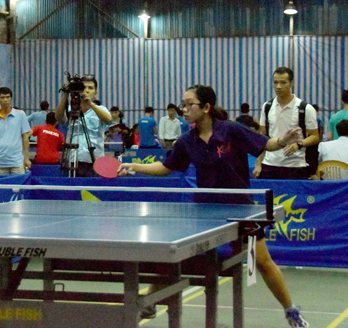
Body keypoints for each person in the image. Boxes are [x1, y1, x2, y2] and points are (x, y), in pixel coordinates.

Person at [117, 85, 308, 328]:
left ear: (206, 108)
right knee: (176, 252)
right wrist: (133, 166)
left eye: (189, 104)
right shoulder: (187, 141)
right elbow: (167, 167)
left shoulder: (230, 130)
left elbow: (265, 144)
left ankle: (290, 311)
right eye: (182, 105)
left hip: (241, 208)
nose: (184, 109)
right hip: (205, 210)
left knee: (262, 261)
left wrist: (283, 140)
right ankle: (150, 300)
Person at [254, 67, 319, 180]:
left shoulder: (305, 108)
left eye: (283, 82)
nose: (278, 86)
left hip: (295, 166)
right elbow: (262, 137)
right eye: (275, 82)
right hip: (269, 165)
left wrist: (298, 144)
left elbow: (315, 136)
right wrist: (258, 164)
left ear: (291, 83)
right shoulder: (267, 107)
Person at [54, 76, 112, 176]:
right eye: (84, 87)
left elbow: (108, 120)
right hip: (72, 158)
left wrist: (90, 103)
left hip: (94, 160)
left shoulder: (101, 109)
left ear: (96, 92)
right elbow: (59, 118)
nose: (87, 90)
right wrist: (65, 95)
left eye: (91, 88)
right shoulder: (70, 109)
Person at [0, 87, 32, 174]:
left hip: (17, 163)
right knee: (1, 187)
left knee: (18, 187)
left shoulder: (21, 115)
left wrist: (26, 158)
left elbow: (25, 137)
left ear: (11, 98)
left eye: (8, 97)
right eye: (3, 97)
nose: (5, 100)